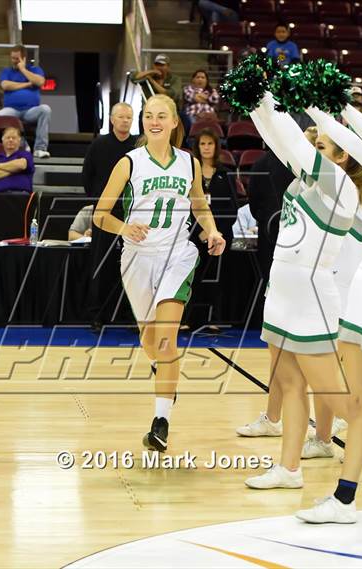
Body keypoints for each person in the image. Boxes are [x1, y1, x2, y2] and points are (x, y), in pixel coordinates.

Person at [242, 92, 362, 525]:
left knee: (342, 398)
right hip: (283, 289)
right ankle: (289, 468)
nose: (312, 148)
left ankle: (356, 469)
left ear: (342, 155)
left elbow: (295, 142)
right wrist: (255, 103)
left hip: (312, 297)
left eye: (323, 146)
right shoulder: (306, 178)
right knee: (290, 384)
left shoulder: (339, 186)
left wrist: (271, 96)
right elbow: (279, 139)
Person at [93, 94, 225, 452]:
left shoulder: (189, 163)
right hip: (136, 258)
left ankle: (160, 421)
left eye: (161, 115)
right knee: (150, 342)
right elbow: (99, 215)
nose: (154, 120)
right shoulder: (129, 163)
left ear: (173, 123)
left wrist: (211, 230)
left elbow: (199, 204)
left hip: (177, 256)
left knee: (167, 341)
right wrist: (124, 228)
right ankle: (166, 374)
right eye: (148, 115)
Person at [82, 102, 138, 329]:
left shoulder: (138, 146)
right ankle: (97, 315)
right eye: (121, 117)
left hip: (133, 215)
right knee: (101, 265)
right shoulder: (98, 145)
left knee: (133, 266)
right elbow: (87, 179)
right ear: (112, 119)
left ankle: (131, 314)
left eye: (129, 117)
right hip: (105, 214)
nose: (125, 120)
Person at [188, 127, 237, 331]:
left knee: (218, 279)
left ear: (216, 147)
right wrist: (200, 230)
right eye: (202, 144)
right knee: (192, 277)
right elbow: (187, 204)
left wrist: (215, 232)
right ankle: (189, 320)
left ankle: (215, 318)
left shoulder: (225, 173)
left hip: (220, 236)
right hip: (195, 236)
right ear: (197, 147)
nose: (206, 147)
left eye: (210, 143)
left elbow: (232, 207)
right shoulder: (190, 173)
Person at [0, 45, 51, 158]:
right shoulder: (7, 71)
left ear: (24, 58)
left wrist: (23, 69)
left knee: (45, 109)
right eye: (12, 58)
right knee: (0, 115)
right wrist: (28, 84)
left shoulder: (35, 70)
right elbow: (5, 85)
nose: (14, 61)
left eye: (17, 59)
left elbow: (40, 82)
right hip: (11, 110)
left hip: (30, 110)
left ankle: (40, 148)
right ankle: (21, 144)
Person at [0, 126, 34, 193]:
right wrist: (15, 170)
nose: (10, 140)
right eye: (8, 138)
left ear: (19, 140)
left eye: (14, 138)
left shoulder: (25, 154)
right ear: (2, 140)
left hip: (20, 195)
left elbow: (21, 165)